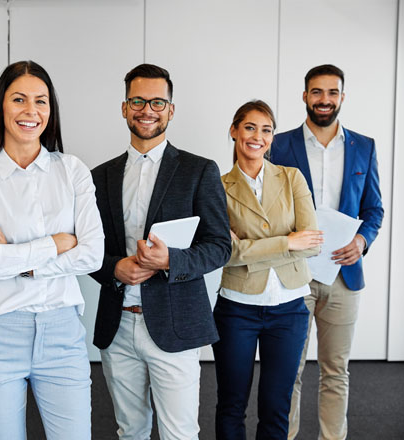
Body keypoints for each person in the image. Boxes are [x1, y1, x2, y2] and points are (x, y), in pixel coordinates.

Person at [0, 60, 104, 440]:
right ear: (0, 107)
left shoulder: (72, 170)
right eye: (19, 99)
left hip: (62, 332)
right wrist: (55, 244)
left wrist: (22, 261)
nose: (31, 111)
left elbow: (92, 254)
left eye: (41, 101)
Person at [89, 63, 231, 440]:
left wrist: (171, 261)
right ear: (124, 107)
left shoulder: (199, 170)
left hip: (175, 324)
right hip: (117, 325)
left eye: (157, 102)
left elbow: (220, 246)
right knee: (130, 430)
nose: (146, 109)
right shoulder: (99, 176)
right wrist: (114, 268)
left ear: (171, 109)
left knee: (179, 434)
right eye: (137, 100)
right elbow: (88, 250)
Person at [270, 64, 384, 440]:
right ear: (304, 96)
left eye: (332, 93)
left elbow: (374, 209)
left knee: (336, 371)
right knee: (290, 370)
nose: (324, 100)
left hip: (344, 276)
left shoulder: (363, 147)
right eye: (316, 92)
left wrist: (362, 242)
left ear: (342, 98)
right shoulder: (279, 144)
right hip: (293, 274)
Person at [214, 100, 322, 439]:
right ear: (233, 131)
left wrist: (250, 247)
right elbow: (226, 253)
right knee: (232, 402)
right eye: (249, 127)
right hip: (237, 307)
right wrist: (287, 243)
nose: (257, 136)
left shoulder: (292, 178)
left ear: (272, 137)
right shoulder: (217, 186)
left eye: (266, 129)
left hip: (290, 308)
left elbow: (314, 243)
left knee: (277, 405)